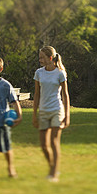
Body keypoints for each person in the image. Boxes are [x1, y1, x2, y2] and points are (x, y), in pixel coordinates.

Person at [33, 46, 70, 182]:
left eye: (42, 57)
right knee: (43, 145)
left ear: (50, 58)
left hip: (56, 110)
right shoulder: (39, 73)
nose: (39, 59)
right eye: (39, 57)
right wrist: (34, 114)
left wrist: (67, 116)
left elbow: (65, 95)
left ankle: (54, 173)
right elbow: (36, 94)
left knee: (54, 142)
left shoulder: (60, 73)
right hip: (43, 111)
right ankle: (53, 167)